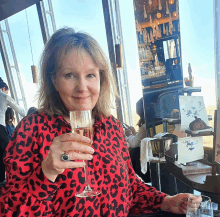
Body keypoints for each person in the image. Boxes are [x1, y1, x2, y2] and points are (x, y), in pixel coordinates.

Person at [0, 27, 201, 216]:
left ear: (101, 79)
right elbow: (10, 211)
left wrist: (165, 201)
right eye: (69, 75)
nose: (82, 87)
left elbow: (131, 186)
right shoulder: (31, 130)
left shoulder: (111, 126)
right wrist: (47, 173)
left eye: (90, 75)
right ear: (54, 80)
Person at [0, 78, 26, 183]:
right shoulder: (4, 96)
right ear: (3, 88)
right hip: (0, 129)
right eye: (7, 90)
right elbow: (20, 110)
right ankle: (11, 179)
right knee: (8, 153)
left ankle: (1, 179)